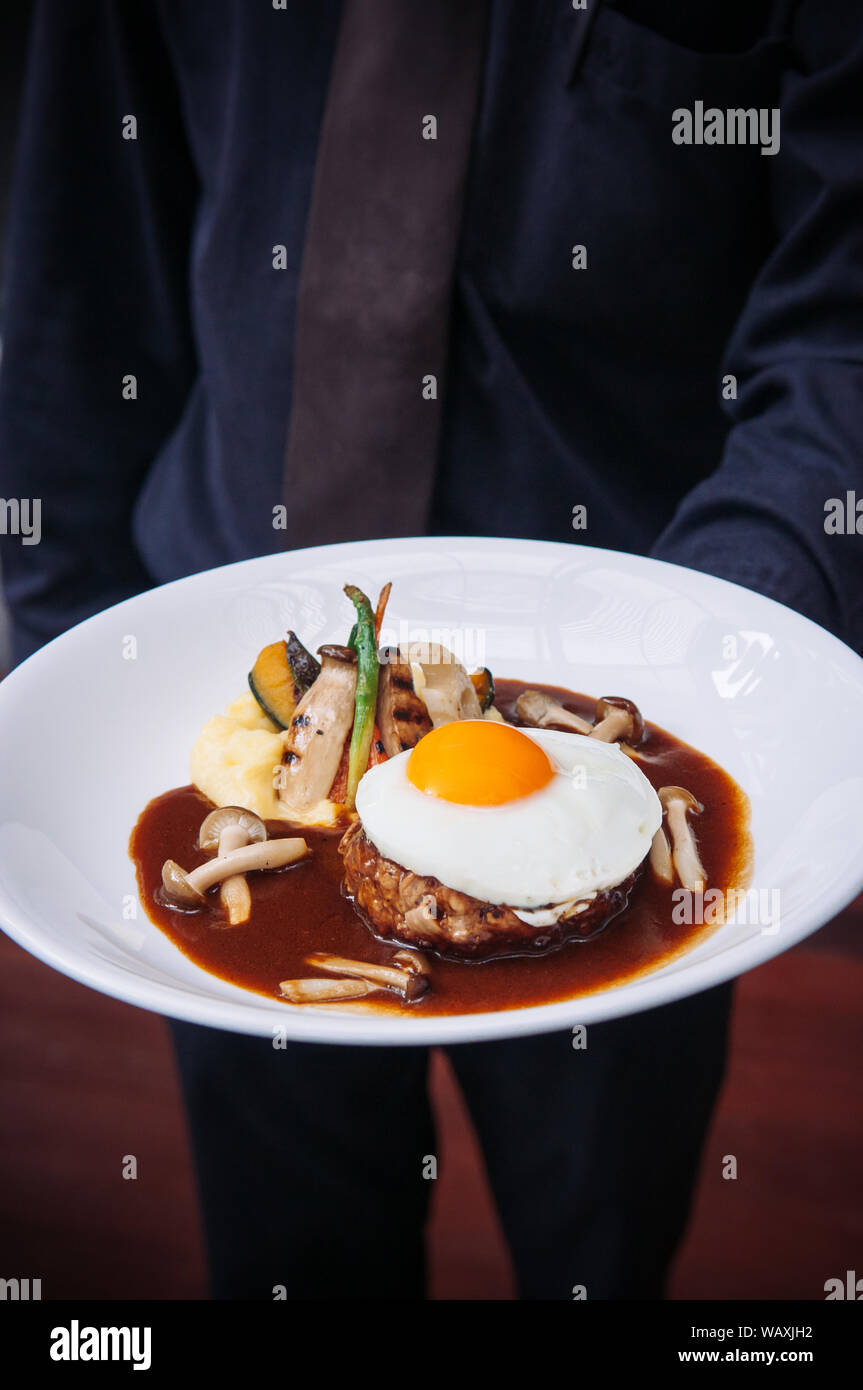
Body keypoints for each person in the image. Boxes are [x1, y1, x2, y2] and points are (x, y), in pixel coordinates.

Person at [1, 0, 860, 1300]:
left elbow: (844, 310)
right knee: (292, 1258)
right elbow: (78, 240)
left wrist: (716, 651)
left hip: (645, 717)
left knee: (606, 1246)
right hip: (229, 712)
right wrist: (73, 685)